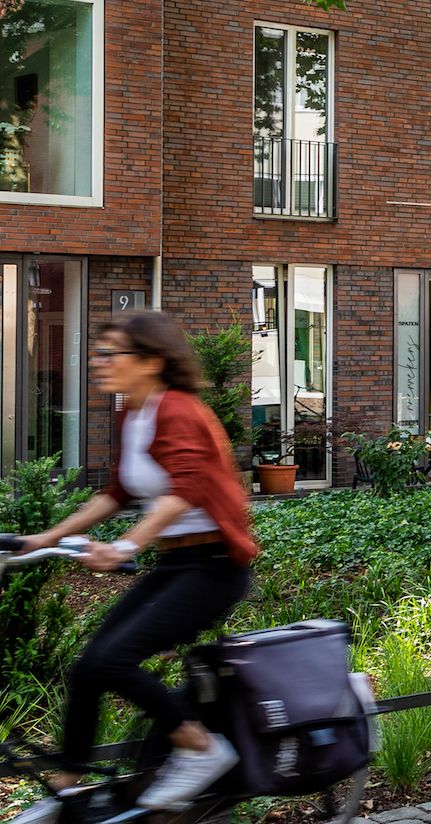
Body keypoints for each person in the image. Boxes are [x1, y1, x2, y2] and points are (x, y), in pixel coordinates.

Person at [12, 312, 257, 820]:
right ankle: (67, 790)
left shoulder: (180, 410)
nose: (98, 363)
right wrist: (46, 538)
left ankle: (201, 748)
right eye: (98, 353)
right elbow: (119, 492)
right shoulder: (132, 410)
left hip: (213, 567)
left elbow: (182, 491)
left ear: (150, 361)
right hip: (177, 564)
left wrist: (124, 548)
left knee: (114, 661)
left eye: (111, 354)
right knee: (87, 670)